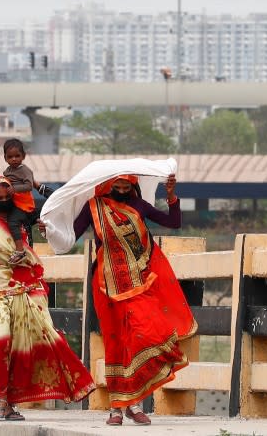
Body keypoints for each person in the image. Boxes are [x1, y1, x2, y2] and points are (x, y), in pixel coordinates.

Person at [0, 176, 96, 421]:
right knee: (3, 340)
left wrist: (39, 190)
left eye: (7, 196)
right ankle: (2, 398)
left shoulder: (23, 220)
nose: (3, 201)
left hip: (27, 290)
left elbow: (53, 208)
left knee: (34, 341)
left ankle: (12, 402)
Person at [72, 173, 196, 426]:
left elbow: (173, 222)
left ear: (133, 185)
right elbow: (70, 234)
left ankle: (135, 401)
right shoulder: (95, 207)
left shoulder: (138, 205)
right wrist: (48, 228)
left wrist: (171, 196)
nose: (120, 188)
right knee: (116, 341)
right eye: (116, 184)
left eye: (125, 184)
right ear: (107, 184)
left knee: (146, 335)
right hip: (106, 284)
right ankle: (119, 408)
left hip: (140, 282)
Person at [1, 138, 52, 265]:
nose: (14, 159)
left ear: (23, 156)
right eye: (10, 156)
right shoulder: (7, 172)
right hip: (13, 204)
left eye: (17, 156)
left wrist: (14, 189)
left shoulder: (25, 170)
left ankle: (20, 250)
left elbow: (29, 186)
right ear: (5, 158)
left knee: (13, 222)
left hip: (24, 206)